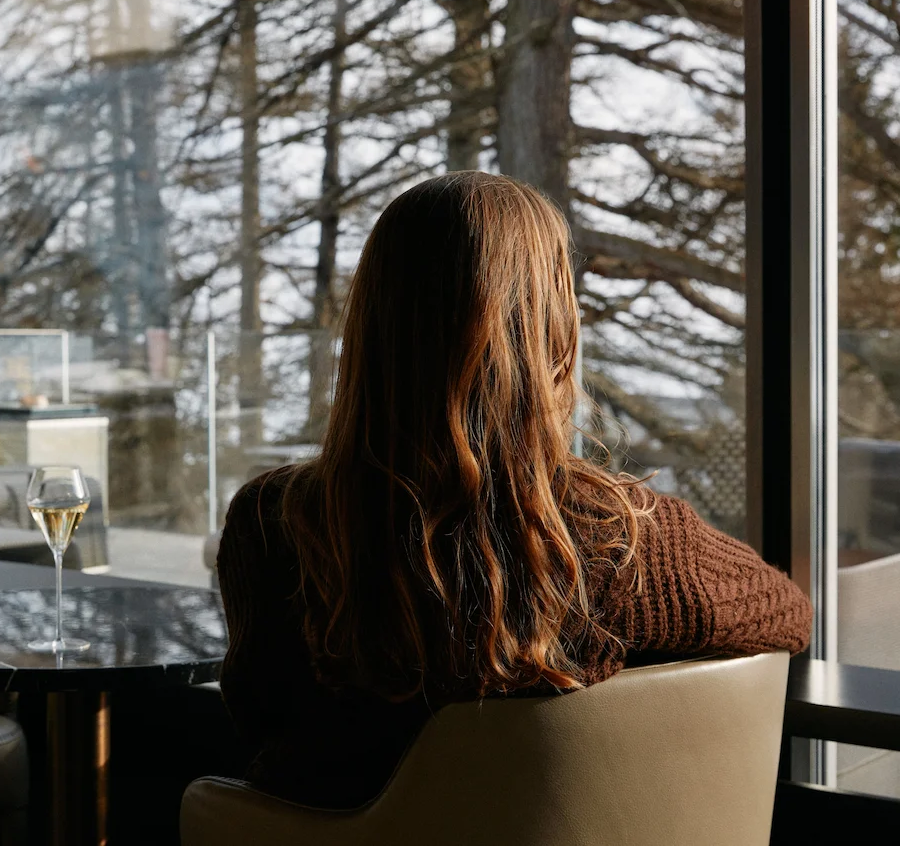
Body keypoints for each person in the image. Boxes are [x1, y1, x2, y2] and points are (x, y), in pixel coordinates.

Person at [217, 171, 811, 810]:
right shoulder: (626, 537)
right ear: (552, 328)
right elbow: (787, 613)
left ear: (371, 325)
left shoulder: (273, 521)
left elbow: (257, 718)